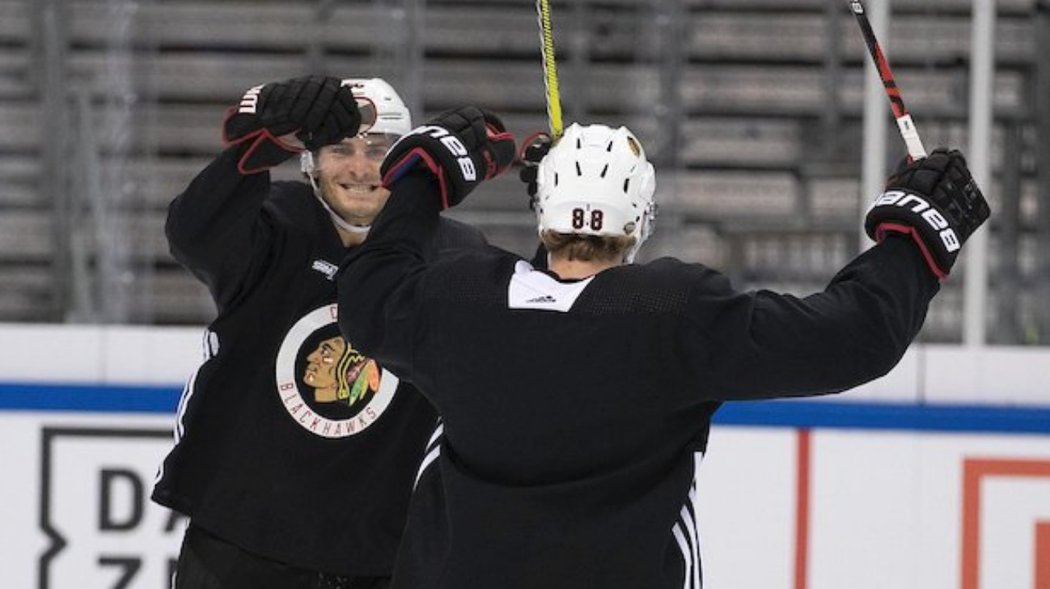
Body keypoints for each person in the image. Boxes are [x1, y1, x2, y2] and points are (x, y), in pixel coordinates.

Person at [335, 114, 990, 589]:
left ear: (543, 211)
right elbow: (853, 337)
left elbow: (371, 295)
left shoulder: (460, 297)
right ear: (640, 221)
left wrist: (426, 174)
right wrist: (915, 237)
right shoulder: (671, 312)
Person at [152, 75, 486, 589]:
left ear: (408, 158)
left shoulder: (455, 256)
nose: (359, 166)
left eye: (380, 148)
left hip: (383, 556)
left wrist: (565, 223)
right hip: (240, 543)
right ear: (309, 161)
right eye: (340, 148)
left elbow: (537, 324)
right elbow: (193, 233)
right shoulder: (271, 226)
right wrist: (261, 145)